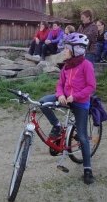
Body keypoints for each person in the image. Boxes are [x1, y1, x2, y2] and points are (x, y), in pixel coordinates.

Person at [39, 32, 96, 184]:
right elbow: (59, 85)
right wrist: (60, 95)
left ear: (76, 50)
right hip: (65, 99)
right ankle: (57, 126)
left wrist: (75, 96)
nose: (64, 51)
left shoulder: (86, 65)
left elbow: (91, 87)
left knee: (83, 137)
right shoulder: (66, 66)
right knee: (43, 102)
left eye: (66, 48)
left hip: (80, 103)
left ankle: (87, 169)